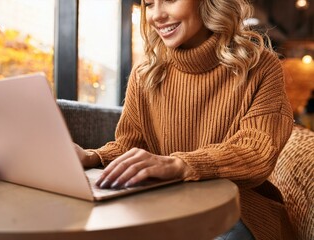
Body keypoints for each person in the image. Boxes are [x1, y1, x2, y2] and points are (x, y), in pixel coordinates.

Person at [75, 0, 295, 239]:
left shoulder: (260, 66)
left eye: (169, 0)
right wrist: (92, 156)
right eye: (149, 4)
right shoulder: (146, 73)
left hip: (241, 211)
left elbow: (256, 152)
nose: (156, 15)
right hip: (164, 206)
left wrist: (180, 165)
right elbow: (131, 146)